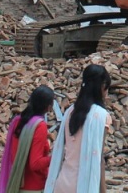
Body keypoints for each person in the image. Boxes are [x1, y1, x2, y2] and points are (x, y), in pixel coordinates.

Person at [45, 65, 112, 193]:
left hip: (62, 182)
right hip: (84, 185)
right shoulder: (101, 116)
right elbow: (98, 159)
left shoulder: (70, 112)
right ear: (102, 86)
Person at [0, 85, 55, 193]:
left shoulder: (17, 121)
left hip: (17, 181)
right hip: (33, 185)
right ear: (48, 106)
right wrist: (55, 157)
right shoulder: (39, 125)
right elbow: (35, 163)